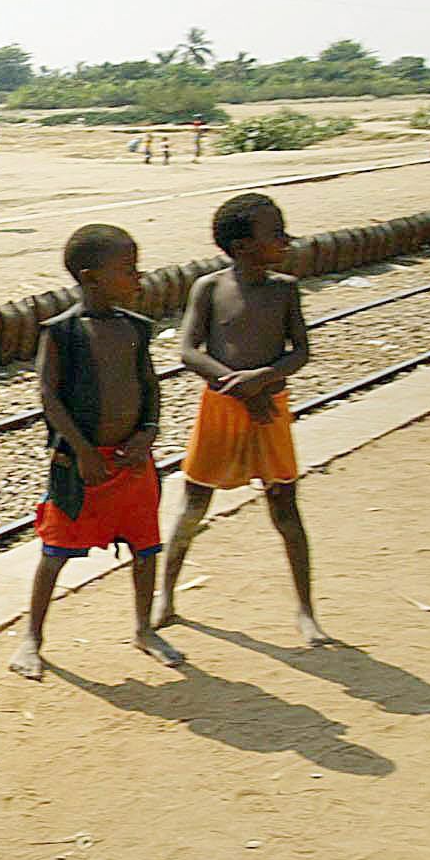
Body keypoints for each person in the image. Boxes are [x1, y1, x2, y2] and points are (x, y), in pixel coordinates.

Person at [154, 193, 331, 644]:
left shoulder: (284, 289)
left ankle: (306, 610)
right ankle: (166, 597)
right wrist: (236, 383)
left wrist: (264, 378)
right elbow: (190, 350)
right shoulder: (210, 288)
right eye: (275, 234)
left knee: (285, 506)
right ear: (241, 246)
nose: (286, 240)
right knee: (194, 503)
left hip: (269, 407)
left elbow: (301, 351)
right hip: (221, 407)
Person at [10, 224, 182, 681]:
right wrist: (84, 451)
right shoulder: (62, 332)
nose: (138, 278)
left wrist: (148, 432)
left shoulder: (135, 329)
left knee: (146, 547)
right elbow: (49, 395)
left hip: (132, 463)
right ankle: (33, 637)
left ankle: (144, 629)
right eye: (128, 270)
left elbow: (149, 386)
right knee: (56, 551)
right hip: (80, 467)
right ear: (91, 277)